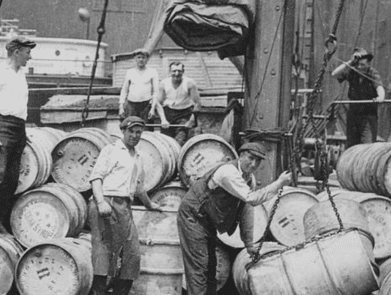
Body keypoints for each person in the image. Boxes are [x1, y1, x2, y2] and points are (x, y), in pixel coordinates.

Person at [177, 142, 292, 295]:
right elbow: (252, 199)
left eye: (258, 161)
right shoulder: (228, 172)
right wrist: (279, 183)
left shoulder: (248, 179)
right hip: (193, 216)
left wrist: (249, 243)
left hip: (207, 220)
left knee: (211, 266)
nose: (253, 164)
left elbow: (246, 209)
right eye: (250, 158)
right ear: (241, 155)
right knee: (199, 266)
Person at [89, 116, 163, 295]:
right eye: (131, 131)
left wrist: (149, 204)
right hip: (106, 202)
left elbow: (138, 187)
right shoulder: (111, 150)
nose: (135, 135)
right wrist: (100, 202)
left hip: (124, 207)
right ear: (123, 130)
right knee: (103, 255)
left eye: (139, 132)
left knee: (132, 255)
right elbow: (96, 177)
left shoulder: (138, 156)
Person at [0, 36, 36, 235]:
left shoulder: (21, 74)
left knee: (12, 178)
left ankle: (0, 219)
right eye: (27, 53)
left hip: (18, 127)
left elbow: (19, 104)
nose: (29, 57)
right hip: (1, 125)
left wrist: (23, 131)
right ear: (16, 52)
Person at [331, 47, 386, 148]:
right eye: (357, 65)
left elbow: (380, 88)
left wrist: (380, 97)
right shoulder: (352, 72)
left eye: (363, 65)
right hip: (353, 115)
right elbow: (334, 74)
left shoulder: (372, 73)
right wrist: (350, 62)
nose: (360, 67)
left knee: (367, 146)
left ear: (368, 64)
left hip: (368, 116)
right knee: (351, 146)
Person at [155, 61, 202, 145]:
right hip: (168, 113)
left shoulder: (189, 83)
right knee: (166, 142)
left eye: (179, 71)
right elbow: (158, 102)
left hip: (184, 113)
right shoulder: (164, 83)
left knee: (180, 141)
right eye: (174, 71)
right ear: (170, 72)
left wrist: (191, 120)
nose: (176, 74)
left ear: (183, 72)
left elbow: (197, 103)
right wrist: (163, 119)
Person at [119, 49, 159, 121]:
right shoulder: (130, 72)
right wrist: (121, 107)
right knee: (131, 126)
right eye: (139, 57)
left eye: (143, 58)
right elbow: (124, 90)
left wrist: (153, 108)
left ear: (147, 59)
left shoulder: (152, 72)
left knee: (146, 129)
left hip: (146, 105)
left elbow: (156, 91)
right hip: (131, 105)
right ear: (135, 59)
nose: (141, 60)